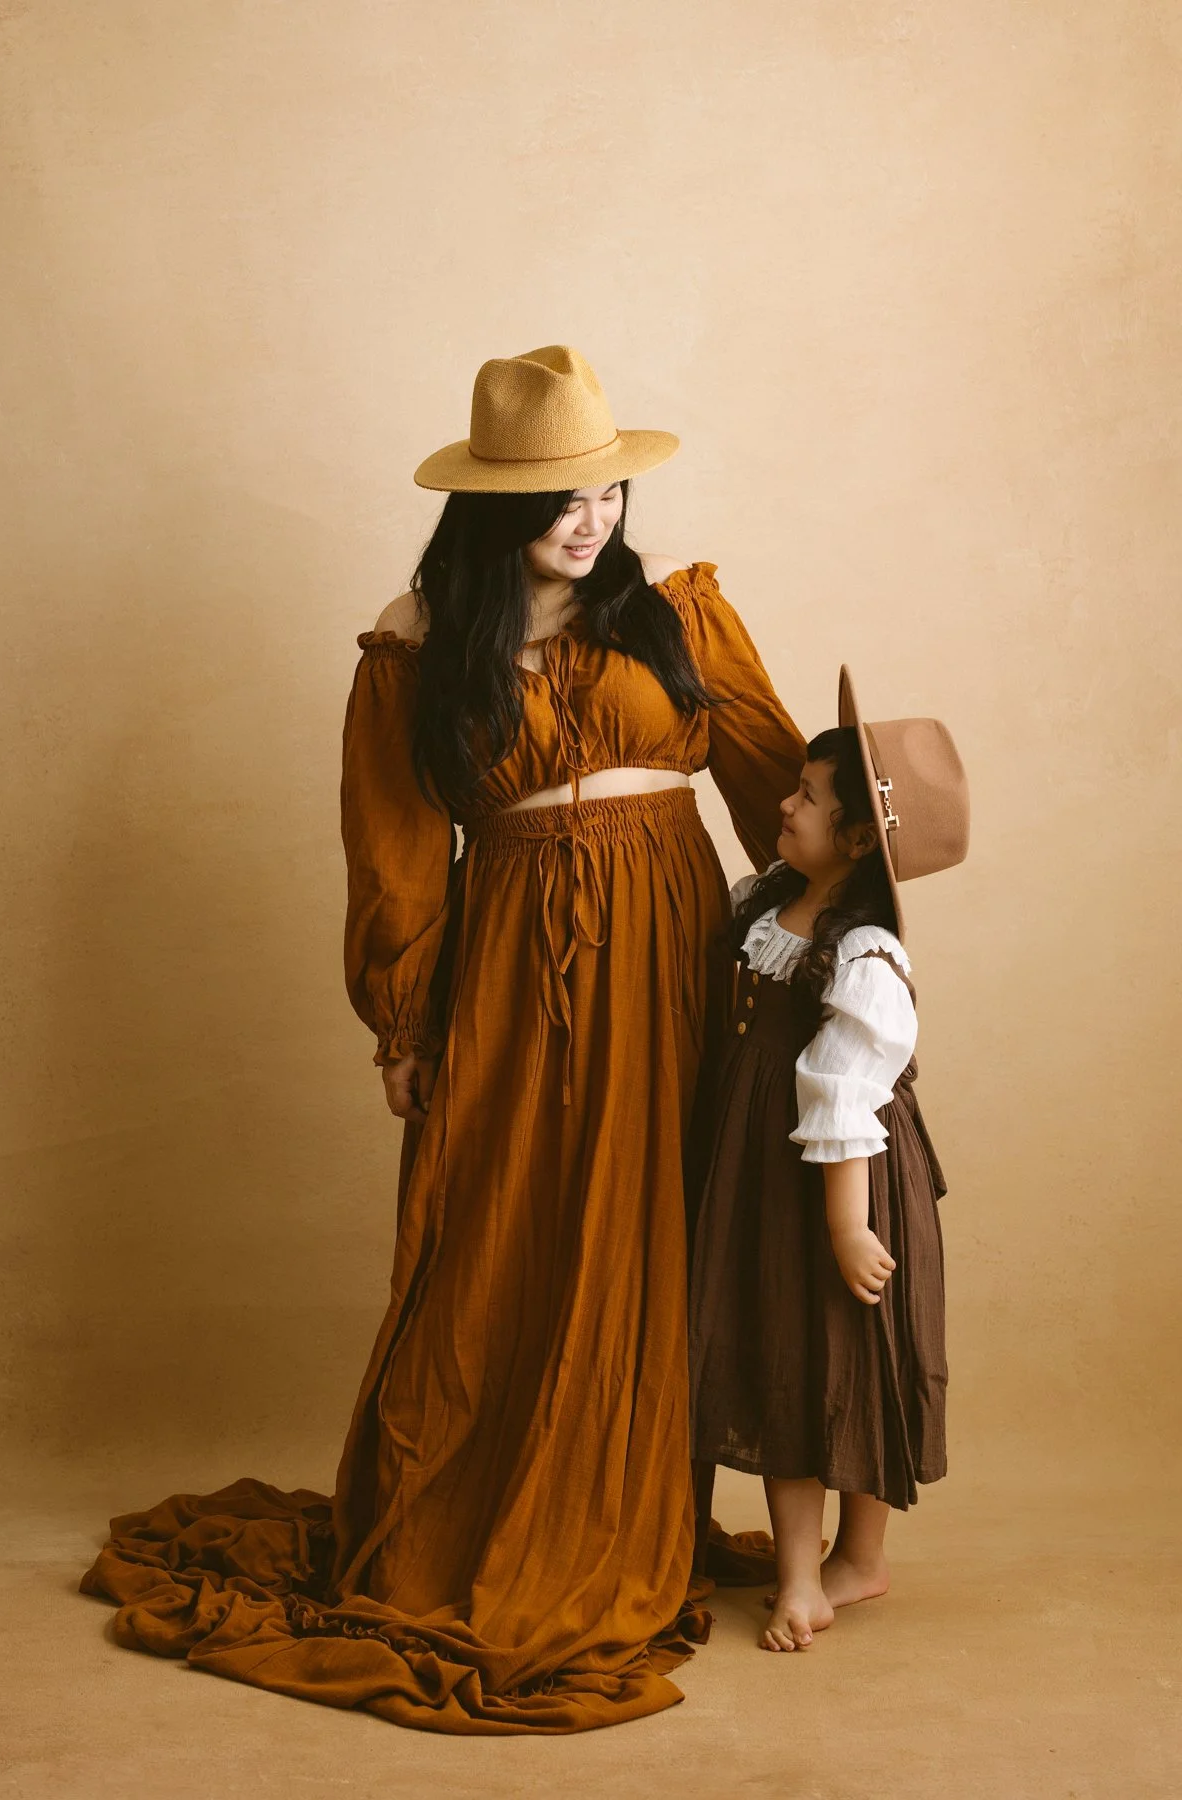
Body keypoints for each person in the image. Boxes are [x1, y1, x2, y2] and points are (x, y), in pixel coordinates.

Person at [81, 345, 806, 1731]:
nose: (587, 517)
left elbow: (784, 789)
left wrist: (846, 935)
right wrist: (402, 1019)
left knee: (654, 1229)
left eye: (601, 489)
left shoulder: (678, 619)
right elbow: (398, 850)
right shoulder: (419, 644)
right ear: (488, 505)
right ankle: (478, 1515)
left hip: (672, 951)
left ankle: (619, 1505)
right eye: (554, 495)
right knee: (500, 1231)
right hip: (515, 962)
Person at [688, 667, 969, 1652]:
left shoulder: (864, 956)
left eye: (806, 797)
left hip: (845, 1176)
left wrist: (848, 1225)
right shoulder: (770, 903)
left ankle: (850, 1563)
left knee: (850, 1358)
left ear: (858, 840)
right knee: (784, 1355)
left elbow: (848, 1099)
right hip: (768, 1171)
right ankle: (801, 1567)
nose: (783, 801)